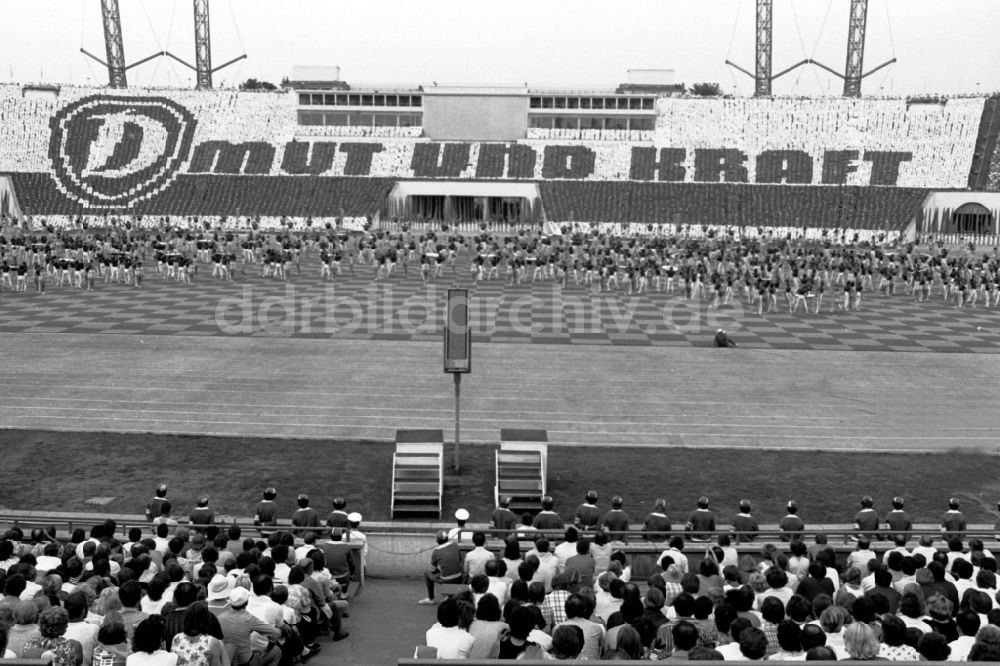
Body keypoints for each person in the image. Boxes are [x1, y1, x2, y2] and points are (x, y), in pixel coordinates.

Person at [217, 588, 281, 666]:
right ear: (246, 603)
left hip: (225, 660)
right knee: (277, 651)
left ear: (230, 603)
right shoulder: (249, 618)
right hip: (243, 662)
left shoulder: (220, 617)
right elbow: (276, 633)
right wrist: (268, 648)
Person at [418, 531, 463, 606]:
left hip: (447, 580)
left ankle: (431, 598)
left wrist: (439, 570)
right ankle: (449, 595)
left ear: (437, 541)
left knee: (427, 573)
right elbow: (460, 559)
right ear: (447, 538)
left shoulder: (436, 551)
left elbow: (433, 569)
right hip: (459, 577)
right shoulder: (455, 544)